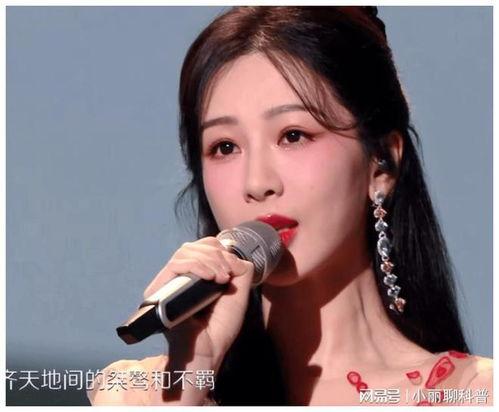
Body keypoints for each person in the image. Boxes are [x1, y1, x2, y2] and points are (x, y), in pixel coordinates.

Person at [88, 6, 493, 406]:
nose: (257, 183)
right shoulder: (136, 394)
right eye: (225, 147)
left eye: (293, 135)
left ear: (382, 162)